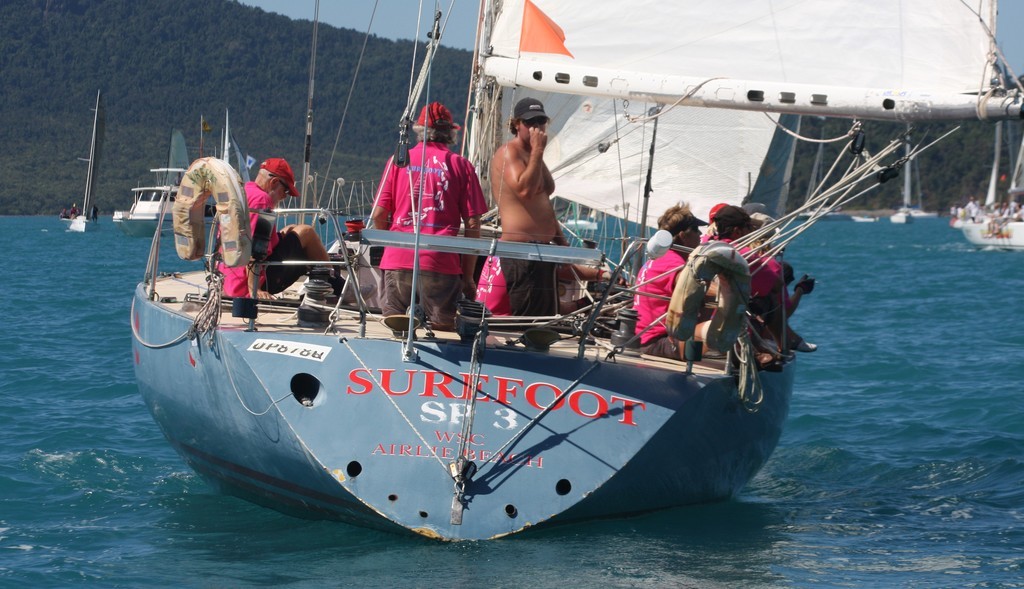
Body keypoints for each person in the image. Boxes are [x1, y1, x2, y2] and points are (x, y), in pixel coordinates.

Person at [370, 101, 488, 330]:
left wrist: (392, 248)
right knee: (441, 331)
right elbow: (473, 223)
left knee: (397, 330)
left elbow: (378, 215)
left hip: (398, 259)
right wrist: (468, 277)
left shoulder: (399, 160)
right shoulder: (460, 166)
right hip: (440, 262)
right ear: (451, 133)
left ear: (419, 132)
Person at [480, 97, 564, 316]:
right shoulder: (510, 152)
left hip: (542, 251)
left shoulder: (534, 154)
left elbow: (544, 200)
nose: (536, 127)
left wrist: (562, 244)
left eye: (540, 121)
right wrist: (537, 150)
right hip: (521, 254)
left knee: (543, 319)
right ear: (517, 124)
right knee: (525, 317)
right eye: (530, 122)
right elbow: (525, 191)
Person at [219, 157, 331, 298]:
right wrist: (255, 290)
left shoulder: (244, 192)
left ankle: (332, 283)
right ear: (274, 182)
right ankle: (335, 285)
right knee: (306, 232)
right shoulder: (262, 199)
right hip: (248, 285)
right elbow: (254, 249)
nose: (285, 197)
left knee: (291, 229)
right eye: (286, 191)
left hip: (230, 280)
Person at [633, 204, 707, 360]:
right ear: (683, 235)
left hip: (643, 338)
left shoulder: (658, 259)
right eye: (695, 229)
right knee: (718, 327)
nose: (700, 234)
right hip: (657, 343)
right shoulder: (672, 262)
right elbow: (690, 284)